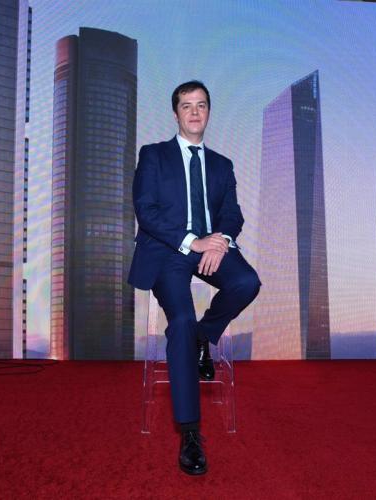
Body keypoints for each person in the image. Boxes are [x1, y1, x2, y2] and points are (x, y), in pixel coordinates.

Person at [128, 80, 261, 475]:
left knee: (247, 282)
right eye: (187, 105)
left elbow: (232, 214)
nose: (194, 112)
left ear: (208, 112)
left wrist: (220, 241)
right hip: (168, 251)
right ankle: (189, 433)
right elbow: (146, 211)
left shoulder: (222, 164)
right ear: (176, 113)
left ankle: (205, 336)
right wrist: (193, 242)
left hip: (212, 248)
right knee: (181, 321)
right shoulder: (154, 155)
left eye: (201, 105)